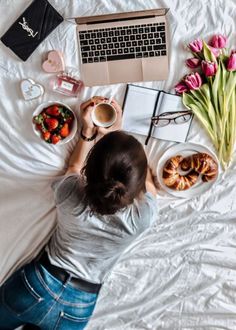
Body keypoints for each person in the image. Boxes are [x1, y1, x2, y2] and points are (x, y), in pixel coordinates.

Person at [0, 97, 157, 330]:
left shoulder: (70, 193)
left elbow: (73, 168)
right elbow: (149, 185)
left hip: (36, 285)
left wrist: (88, 132)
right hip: (78, 306)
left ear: (89, 171)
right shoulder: (143, 217)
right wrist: (119, 138)